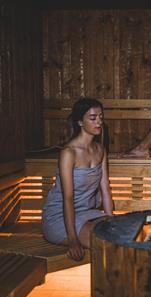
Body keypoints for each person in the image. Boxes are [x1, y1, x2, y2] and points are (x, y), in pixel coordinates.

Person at [42, 97, 114, 261]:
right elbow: (68, 198)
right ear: (80, 122)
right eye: (93, 118)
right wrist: (73, 240)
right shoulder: (69, 153)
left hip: (87, 213)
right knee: (105, 242)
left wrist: (111, 218)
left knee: (120, 233)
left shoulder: (100, 150)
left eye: (101, 117)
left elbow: (105, 190)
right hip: (60, 217)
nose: (99, 122)